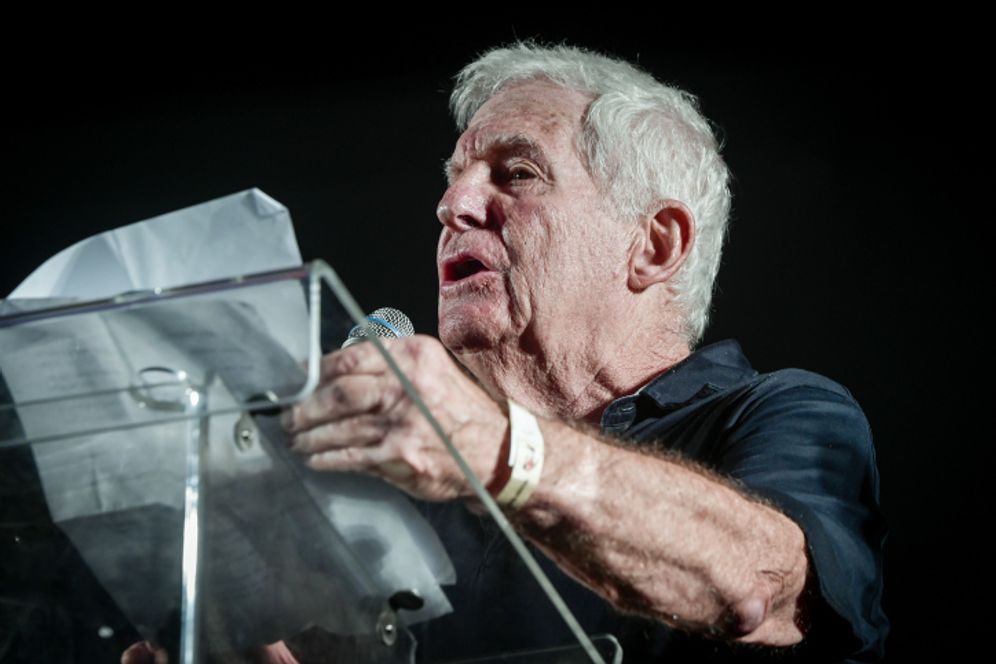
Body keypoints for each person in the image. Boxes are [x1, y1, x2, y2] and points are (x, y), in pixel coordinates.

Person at [282, 42, 888, 662]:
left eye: (517, 172)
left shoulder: (787, 413)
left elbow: (762, 583)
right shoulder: (410, 465)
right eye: (454, 177)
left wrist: (494, 445)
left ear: (655, 245)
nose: (452, 204)